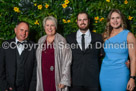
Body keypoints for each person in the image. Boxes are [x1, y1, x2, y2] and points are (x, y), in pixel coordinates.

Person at [66, 12, 104, 91]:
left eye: (84, 19)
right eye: (80, 20)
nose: (82, 22)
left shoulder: (98, 37)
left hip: (93, 81)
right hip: (75, 82)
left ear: (89, 21)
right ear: (77, 21)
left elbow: (104, 55)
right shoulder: (69, 38)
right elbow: (65, 60)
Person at [99, 9, 136, 91]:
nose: (115, 21)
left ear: (122, 19)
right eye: (112, 18)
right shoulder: (105, 35)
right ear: (109, 21)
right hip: (105, 73)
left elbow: (133, 58)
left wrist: (132, 78)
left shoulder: (129, 35)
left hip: (121, 74)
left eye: (118, 18)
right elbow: (99, 52)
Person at [36, 16, 72, 91]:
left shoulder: (62, 40)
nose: (50, 28)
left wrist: (64, 80)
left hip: (56, 77)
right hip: (43, 77)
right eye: (47, 25)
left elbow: (67, 61)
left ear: (55, 27)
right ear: (44, 27)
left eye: (52, 25)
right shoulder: (41, 40)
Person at [0, 21, 36, 91]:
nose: (24, 33)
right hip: (9, 88)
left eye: (26, 31)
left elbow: (35, 72)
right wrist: (4, 87)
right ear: (15, 30)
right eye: (21, 30)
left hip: (27, 88)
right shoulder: (5, 45)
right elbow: (0, 69)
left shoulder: (33, 47)